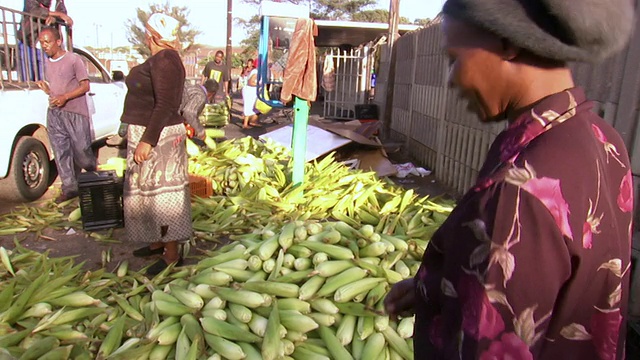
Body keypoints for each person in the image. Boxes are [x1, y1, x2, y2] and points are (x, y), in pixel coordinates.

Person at [384, 0, 635, 359]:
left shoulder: (516, 192)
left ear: (507, 41)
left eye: (455, 58)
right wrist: (435, 288)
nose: (452, 80)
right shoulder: (603, 138)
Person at [119, 13, 191, 276]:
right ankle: (157, 242)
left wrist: (147, 140)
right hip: (150, 131)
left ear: (151, 35)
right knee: (148, 192)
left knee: (163, 196)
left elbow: (166, 105)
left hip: (158, 136)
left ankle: (171, 254)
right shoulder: (162, 59)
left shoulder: (165, 60)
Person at [36, 27, 96, 203]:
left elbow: (85, 86)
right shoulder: (47, 62)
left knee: (82, 153)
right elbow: (56, 87)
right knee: (61, 152)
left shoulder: (73, 60)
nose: (44, 46)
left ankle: (95, 183)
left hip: (75, 113)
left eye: (47, 42)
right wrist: (48, 90)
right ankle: (69, 189)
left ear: (58, 41)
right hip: (55, 114)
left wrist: (65, 97)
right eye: (41, 43)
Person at [19, 0, 72, 81]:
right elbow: (34, 11)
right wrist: (57, 14)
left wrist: (54, 17)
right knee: (28, 79)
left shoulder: (58, 1)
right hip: (29, 40)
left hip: (47, 45)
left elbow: (64, 14)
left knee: (46, 79)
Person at [242, 58, 260, 129]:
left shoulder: (256, 71)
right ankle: (245, 124)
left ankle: (254, 121)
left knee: (255, 107)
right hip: (249, 91)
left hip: (252, 91)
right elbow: (250, 82)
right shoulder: (255, 71)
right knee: (248, 107)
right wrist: (259, 85)